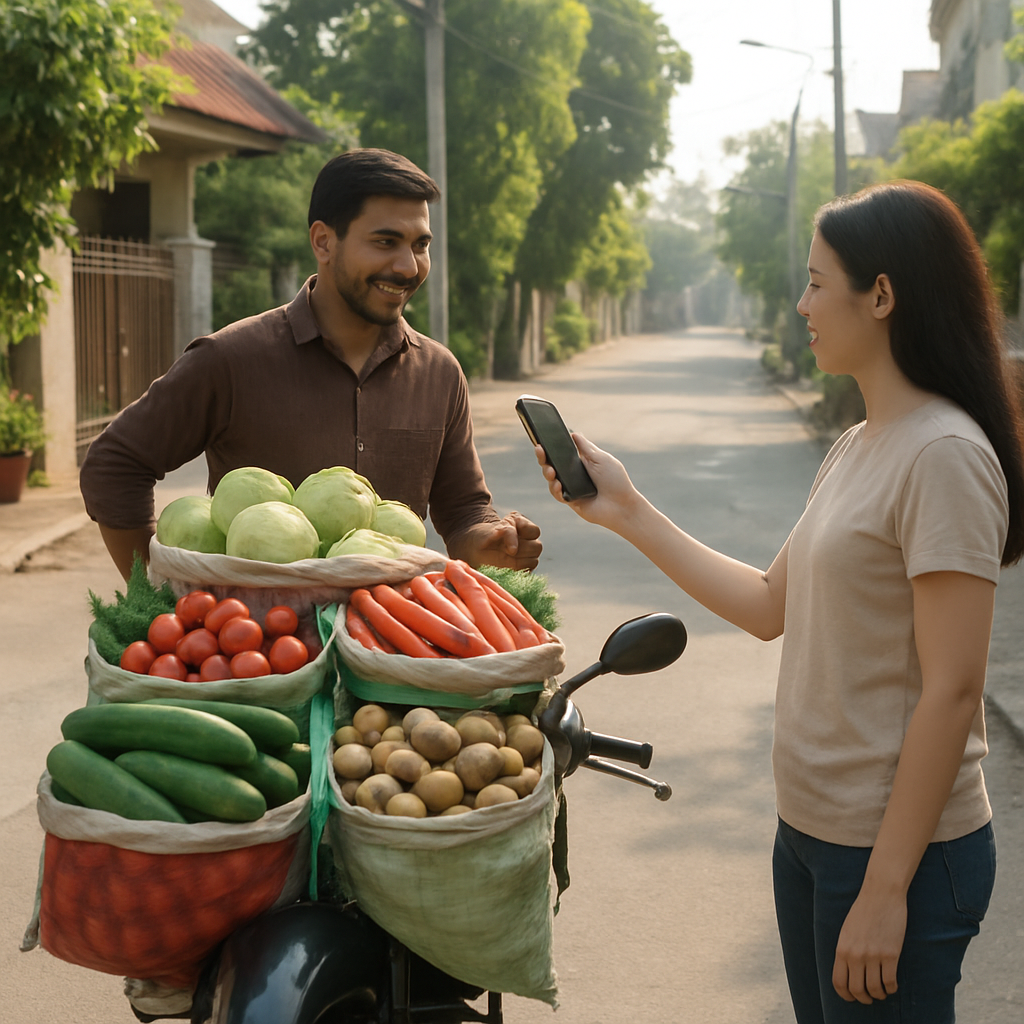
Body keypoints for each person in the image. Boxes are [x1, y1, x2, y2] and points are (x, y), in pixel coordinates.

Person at [534, 181, 1024, 1023]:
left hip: (889, 853)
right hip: (810, 833)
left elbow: (951, 692)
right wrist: (625, 510)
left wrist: (884, 888)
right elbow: (767, 604)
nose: (800, 304)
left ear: (881, 295)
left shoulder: (943, 455)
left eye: (816, 282)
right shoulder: (860, 443)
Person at [80, 148, 541, 581]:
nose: (408, 266)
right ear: (323, 241)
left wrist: (491, 542)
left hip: (392, 647)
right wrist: (154, 594)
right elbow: (114, 465)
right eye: (385, 241)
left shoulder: (439, 373)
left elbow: (463, 513)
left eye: (420, 245)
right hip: (260, 651)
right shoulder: (233, 358)